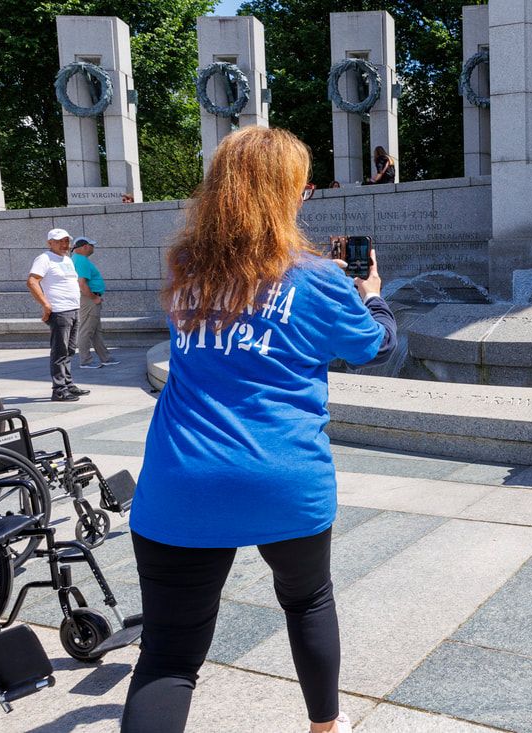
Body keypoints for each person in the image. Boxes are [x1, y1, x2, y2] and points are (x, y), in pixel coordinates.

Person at [121, 126, 397, 733]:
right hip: (282, 474)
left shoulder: (185, 267)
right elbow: (374, 348)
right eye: (302, 189)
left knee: (168, 656)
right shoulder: (317, 278)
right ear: (287, 194)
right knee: (307, 600)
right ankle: (325, 727)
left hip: (181, 477)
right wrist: (372, 296)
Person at [26, 228, 91, 402]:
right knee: (60, 351)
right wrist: (46, 304)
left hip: (73, 309)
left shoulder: (67, 259)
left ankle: (68, 384)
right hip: (59, 311)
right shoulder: (44, 259)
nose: (64, 244)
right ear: (50, 243)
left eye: (66, 241)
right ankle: (59, 389)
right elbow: (32, 281)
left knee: (70, 350)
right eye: (59, 241)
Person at [71, 236, 119, 369]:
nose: (93, 248)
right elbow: (82, 283)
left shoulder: (77, 259)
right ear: (85, 246)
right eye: (92, 245)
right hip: (89, 299)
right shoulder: (81, 260)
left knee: (96, 331)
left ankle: (106, 358)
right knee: (86, 330)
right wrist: (94, 298)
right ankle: (86, 361)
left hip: (89, 298)